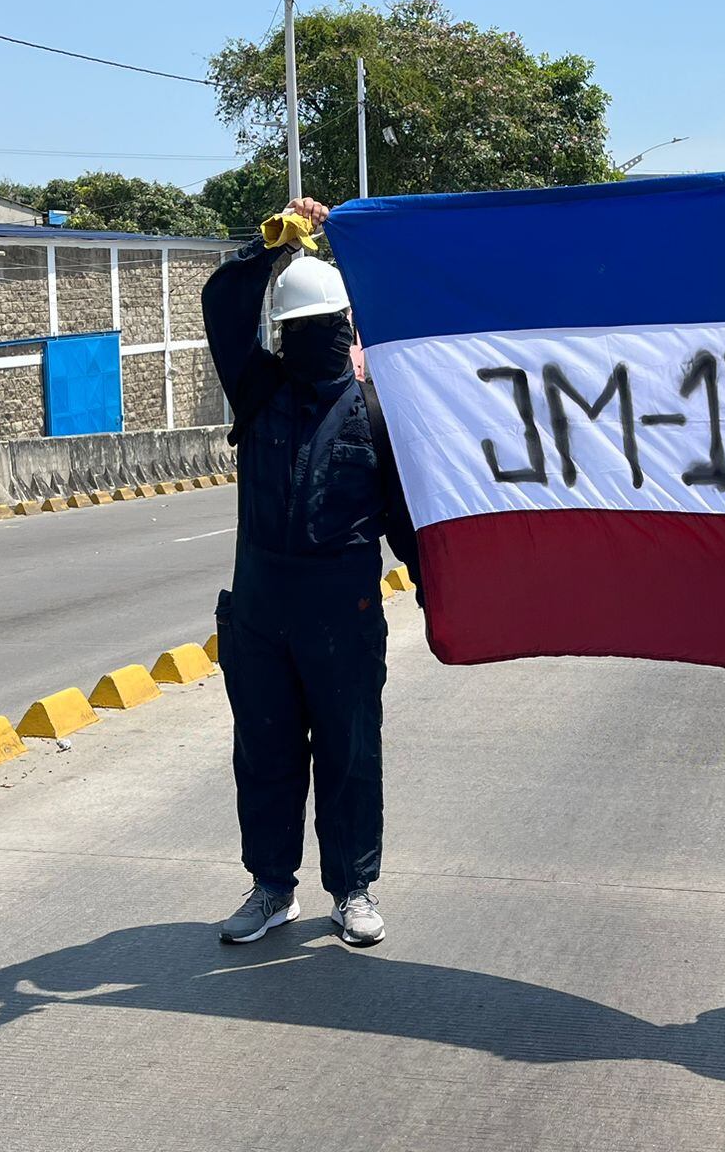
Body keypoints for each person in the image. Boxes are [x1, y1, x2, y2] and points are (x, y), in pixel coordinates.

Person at [202, 195, 422, 948]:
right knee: (263, 753)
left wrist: (444, 592)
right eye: (301, 332)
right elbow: (222, 305)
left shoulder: (373, 411)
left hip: (343, 611)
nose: (314, 342)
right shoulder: (258, 393)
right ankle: (271, 888)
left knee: (349, 751)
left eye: (326, 330)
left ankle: (354, 888)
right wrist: (275, 246)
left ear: (349, 330)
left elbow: (402, 519)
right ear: (282, 336)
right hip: (262, 611)